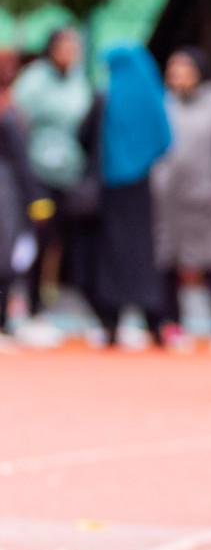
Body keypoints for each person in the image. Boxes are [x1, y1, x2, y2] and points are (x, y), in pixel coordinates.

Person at [82, 45, 172, 347]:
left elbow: (84, 135)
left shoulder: (105, 97)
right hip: (141, 186)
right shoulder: (150, 96)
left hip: (111, 187)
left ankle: (110, 322)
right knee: (143, 251)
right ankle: (154, 321)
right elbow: (164, 137)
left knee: (112, 253)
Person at [151, 48, 211, 350]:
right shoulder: (161, 104)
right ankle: (173, 324)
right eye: (174, 71)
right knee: (169, 258)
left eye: (185, 70)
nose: (179, 77)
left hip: (206, 195)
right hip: (169, 198)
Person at [12, 27, 93, 345]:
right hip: (36, 174)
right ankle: (28, 308)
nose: (70, 51)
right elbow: (18, 120)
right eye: (64, 46)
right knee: (38, 238)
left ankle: (45, 305)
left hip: (68, 174)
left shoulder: (78, 81)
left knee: (60, 241)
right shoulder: (34, 80)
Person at [0, 48, 46, 346]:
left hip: (12, 188)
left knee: (9, 256)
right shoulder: (6, 110)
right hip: (6, 188)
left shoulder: (11, 104)